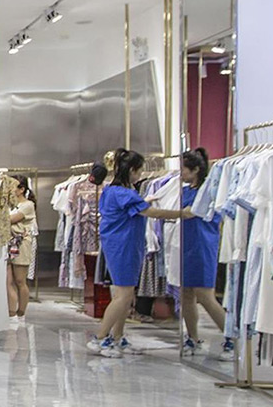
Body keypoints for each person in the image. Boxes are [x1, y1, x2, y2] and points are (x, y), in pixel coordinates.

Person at [90, 148, 194, 358]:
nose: (140, 175)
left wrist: (147, 201)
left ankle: (117, 336)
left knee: (124, 295)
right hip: (124, 246)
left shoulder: (112, 191)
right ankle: (100, 337)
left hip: (120, 245)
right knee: (123, 295)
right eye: (139, 171)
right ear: (132, 170)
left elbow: (135, 209)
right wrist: (181, 213)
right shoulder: (125, 194)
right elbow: (150, 212)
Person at [176, 148, 236, 361]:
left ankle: (231, 339)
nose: (181, 173)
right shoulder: (185, 191)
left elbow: (194, 214)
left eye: (183, 169)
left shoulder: (209, 191)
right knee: (186, 294)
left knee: (205, 296)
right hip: (186, 245)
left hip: (203, 245)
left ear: (196, 169)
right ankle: (193, 338)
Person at [7, 175, 37, 320]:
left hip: (21, 244)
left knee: (20, 280)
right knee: (8, 280)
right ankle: (11, 312)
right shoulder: (8, 204)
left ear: (21, 189)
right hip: (7, 244)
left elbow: (11, 219)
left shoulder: (28, 205)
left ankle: (21, 312)